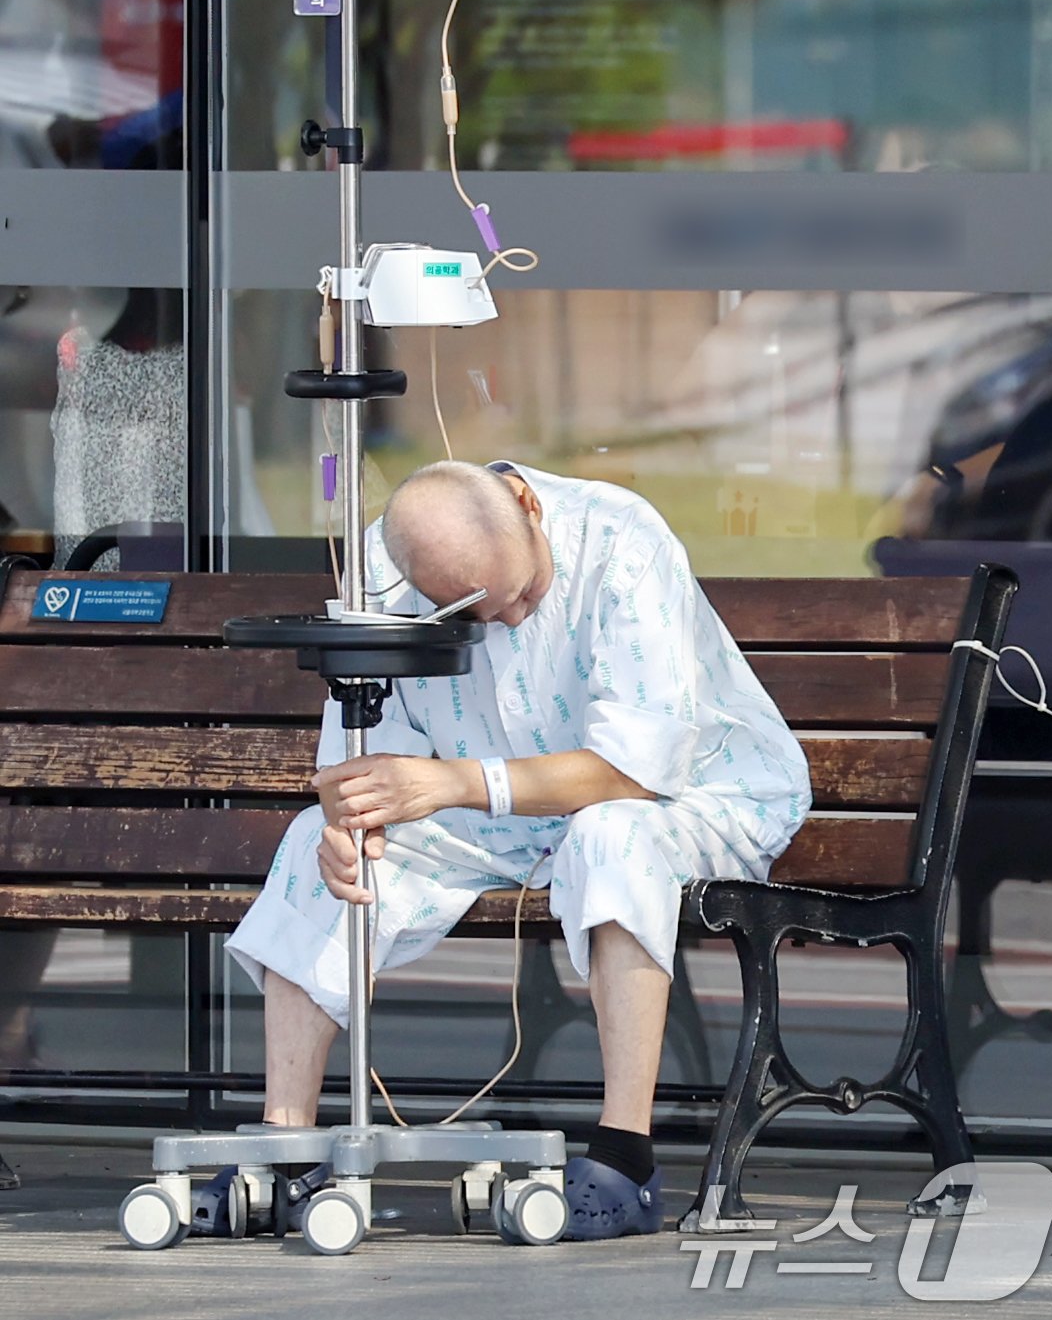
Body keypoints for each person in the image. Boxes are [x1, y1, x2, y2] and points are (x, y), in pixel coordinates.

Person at [226, 460, 812, 1239]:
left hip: (689, 796)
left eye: (524, 597)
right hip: (488, 812)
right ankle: (284, 1153)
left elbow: (634, 771)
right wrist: (348, 825)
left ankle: (623, 1159)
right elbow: (357, 765)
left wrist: (455, 782)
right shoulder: (384, 569)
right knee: (308, 844)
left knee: (611, 832)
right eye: (473, 612)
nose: (505, 621)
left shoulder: (622, 539)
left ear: (529, 506)